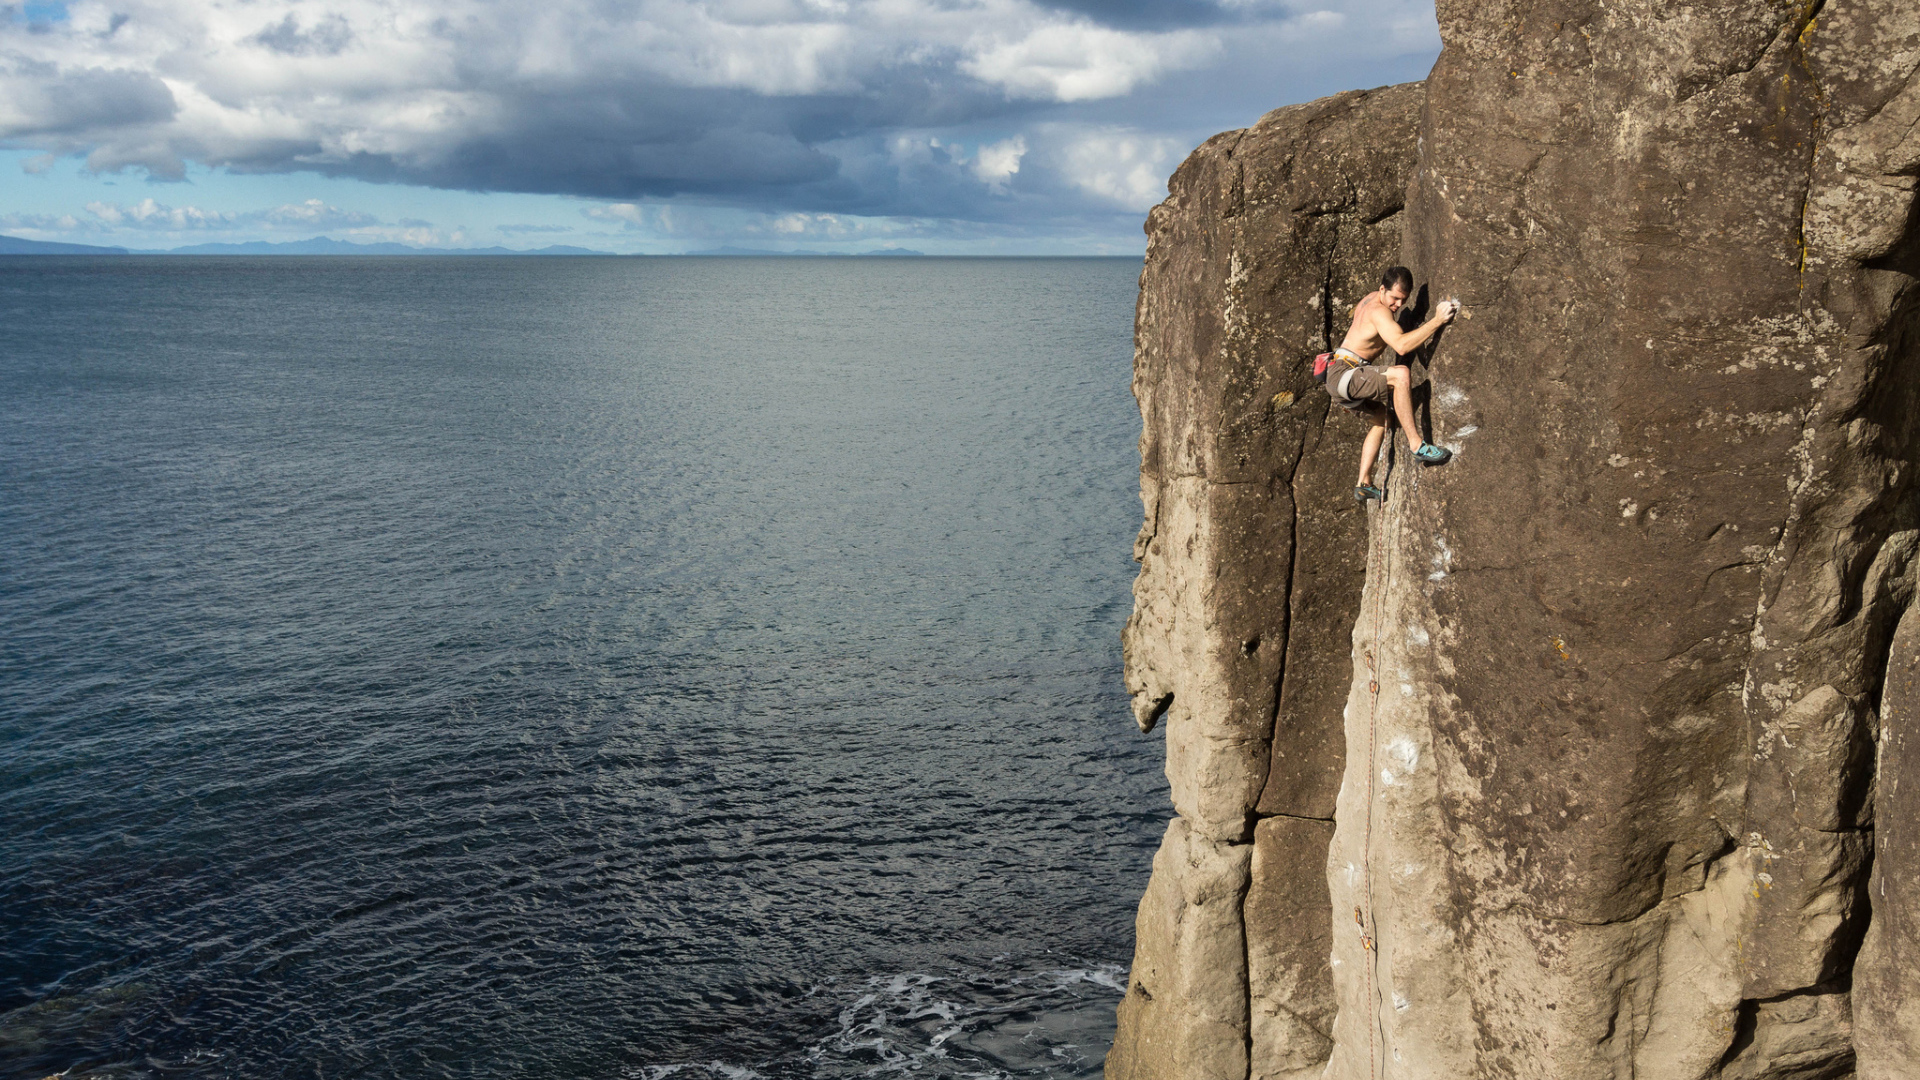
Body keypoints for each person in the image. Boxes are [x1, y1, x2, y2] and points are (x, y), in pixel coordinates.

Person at [1325, 266, 1458, 502]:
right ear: (1382, 289)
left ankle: (1363, 483)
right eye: (1394, 298)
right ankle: (1417, 446)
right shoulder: (1378, 311)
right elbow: (1402, 346)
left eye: (1403, 300)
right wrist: (1438, 321)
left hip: (1340, 379)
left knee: (1383, 420)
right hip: (1345, 374)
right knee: (1400, 375)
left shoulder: (1370, 300)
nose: (1397, 305)